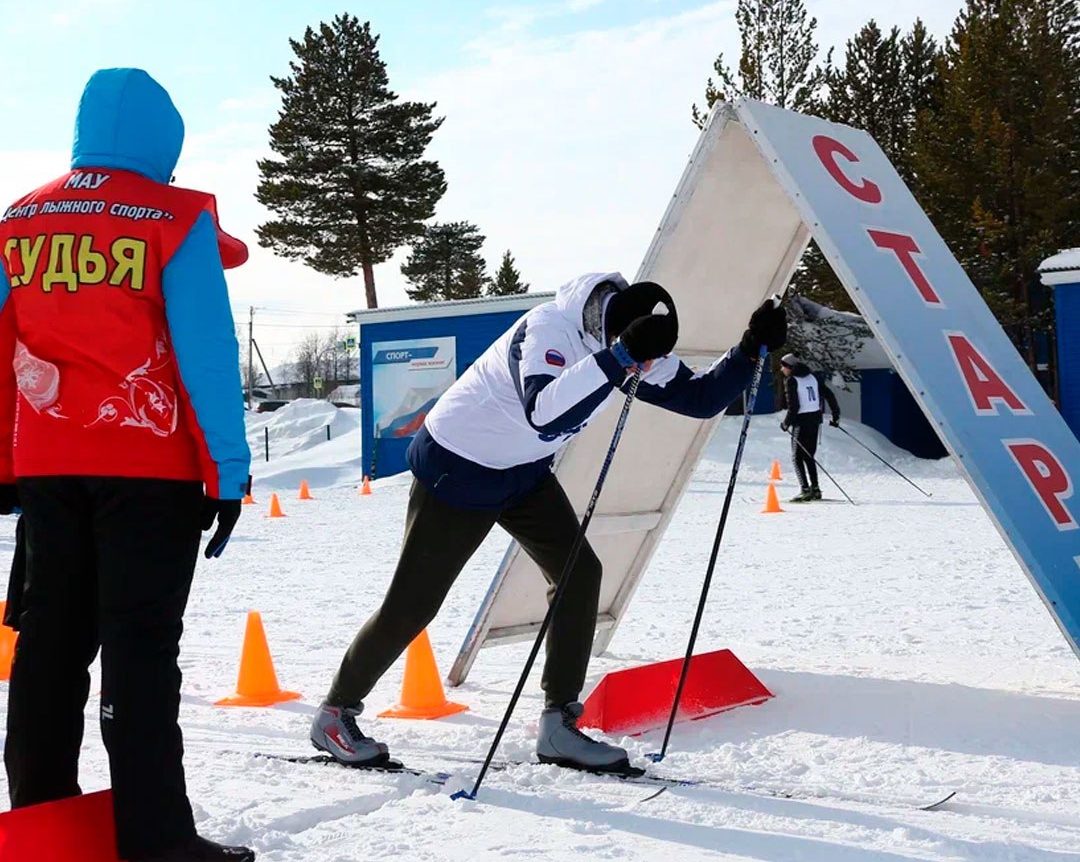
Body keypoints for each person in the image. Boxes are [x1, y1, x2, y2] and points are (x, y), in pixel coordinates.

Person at [311, 274, 786, 773]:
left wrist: (750, 347)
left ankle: (559, 724)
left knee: (580, 574)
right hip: (459, 465)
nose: (646, 368)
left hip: (522, 471)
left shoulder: (628, 341)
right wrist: (620, 360)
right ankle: (334, 714)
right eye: (639, 356)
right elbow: (544, 412)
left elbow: (699, 399)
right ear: (612, 332)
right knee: (413, 605)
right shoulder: (549, 331)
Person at [0, 69, 255, 862]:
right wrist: (228, 471)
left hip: (47, 464)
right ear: (164, 141)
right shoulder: (175, 220)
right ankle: (156, 839)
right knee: (140, 649)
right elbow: (207, 354)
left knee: (48, 643)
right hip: (150, 471)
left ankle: (41, 822)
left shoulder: (15, 222)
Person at [779, 353, 840, 502]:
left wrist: (786, 423)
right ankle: (816, 489)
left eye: (783, 366)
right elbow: (829, 394)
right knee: (809, 456)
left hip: (801, 421)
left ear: (790, 367)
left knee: (797, 457)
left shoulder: (791, 380)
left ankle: (805, 489)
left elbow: (794, 406)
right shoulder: (813, 377)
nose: (781, 370)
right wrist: (835, 414)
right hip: (815, 420)